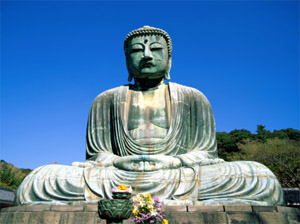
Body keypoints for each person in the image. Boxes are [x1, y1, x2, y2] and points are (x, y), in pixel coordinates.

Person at [15, 26, 284, 206]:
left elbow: (205, 155)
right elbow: (98, 156)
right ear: (126, 60)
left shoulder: (193, 97)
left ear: (169, 59)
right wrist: (122, 163)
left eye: (155, 50)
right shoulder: (106, 99)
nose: (146, 56)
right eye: (136, 51)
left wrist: (172, 162)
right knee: (39, 180)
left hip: (178, 176)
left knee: (259, 178)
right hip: (118, 178)